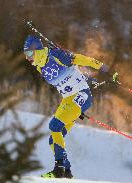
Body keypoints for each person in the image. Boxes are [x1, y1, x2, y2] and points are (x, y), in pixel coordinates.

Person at [23, 35, 118, 179]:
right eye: (26, 54)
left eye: (29, 53)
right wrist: (92, 82)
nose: (27, 58)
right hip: (68, 100)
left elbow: (80, 59)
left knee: (54, 126)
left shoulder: (55, 54)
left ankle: (58, 169)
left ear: (37, 50)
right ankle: (66, 173)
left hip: (80, 95)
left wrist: (104, 68)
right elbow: (72, 76)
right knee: (53, 140)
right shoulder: (39, 67)